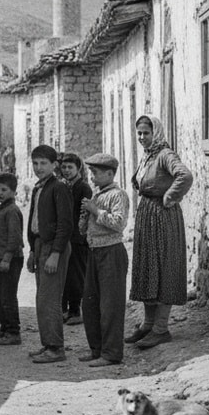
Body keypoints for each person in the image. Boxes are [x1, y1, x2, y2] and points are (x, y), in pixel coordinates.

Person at [127, 115, 193, 350]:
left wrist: (169, 197)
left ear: (156, 132)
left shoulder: (165, 154)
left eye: (146, 133)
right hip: (147, 217)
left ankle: (161, 329)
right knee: (148, 268)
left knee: (163, 268)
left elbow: (185, 175)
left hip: (163, 218)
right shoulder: (149, 156)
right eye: (139, 134)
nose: (142, 137)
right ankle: (148, 324)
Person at [78, 153, 130, 367]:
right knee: (90, 303)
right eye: (91, 173)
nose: (92, 177)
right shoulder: (96, 195)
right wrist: (84, 216)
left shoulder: (118, 195)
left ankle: (111, 353)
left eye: (96, 173)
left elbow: (119, 223)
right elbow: (83, 230)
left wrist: (95, 210)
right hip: (94, 252)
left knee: (110, 305)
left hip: (111, 253)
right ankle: (97, 349)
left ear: (110, 173)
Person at [25, 144, 73, 364]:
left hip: (55, 247)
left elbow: (65, 225)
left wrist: (55, 253)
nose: (38, 168)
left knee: (50, 299)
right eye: (35, 163)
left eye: (44, 163)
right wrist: (33, 250)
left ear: (55, 165)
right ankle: (48, 344)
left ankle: (56, 348)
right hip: (41, 245)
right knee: (41, 299)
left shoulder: (59, 187)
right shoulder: (38, 188)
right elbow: (35, 221)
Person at [0, 172, 24, 346]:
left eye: (4, 190)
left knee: (7, 296)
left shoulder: (12, 210)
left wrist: (7, 258)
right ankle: (4, 328)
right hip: (0, 258)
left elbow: (15, 238)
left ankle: (13, 332)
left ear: (13, 192)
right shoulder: (3, 208)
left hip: (10, 259)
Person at [59, 152, 92, 326]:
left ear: (78, 168)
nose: (66, 170)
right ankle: (67, 310)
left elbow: (84, 214)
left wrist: (80, 234)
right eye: (63, 167)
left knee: (77, 275)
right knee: (66, 275)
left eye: (70, 167)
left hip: (78, 238)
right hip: (66, 237)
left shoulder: (83, 187)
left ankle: (76, 311)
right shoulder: (64, 186)